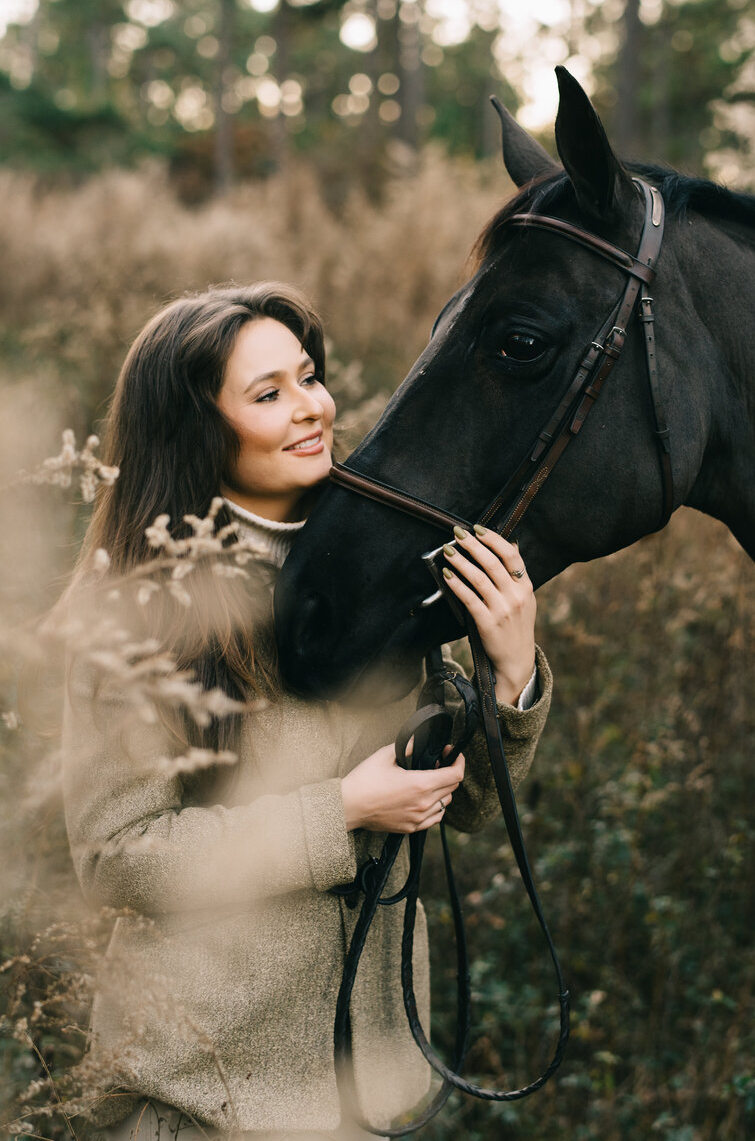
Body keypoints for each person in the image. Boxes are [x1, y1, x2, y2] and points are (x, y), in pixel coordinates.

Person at [60, 283, 552, 1141]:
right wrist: (342, 811)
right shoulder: (141, 610)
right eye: (268, 393)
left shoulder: (383, 570)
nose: (312, 408)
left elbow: (467, 805)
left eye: (309, 377)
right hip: (208, 1100)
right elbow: (117, 858)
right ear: (196, 431)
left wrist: (509, 675)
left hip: (371, 1097)